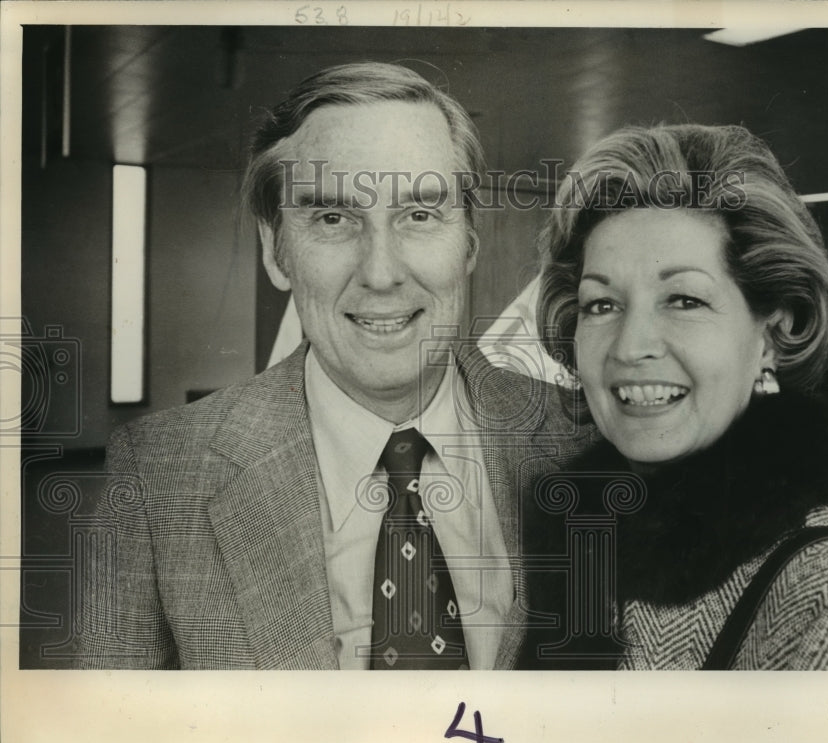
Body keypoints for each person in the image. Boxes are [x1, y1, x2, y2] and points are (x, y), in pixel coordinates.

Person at [74, 62, 593, 670]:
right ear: (277, 252)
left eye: (420, 215)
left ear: (469, 243)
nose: (381, 273)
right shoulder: (160, 474)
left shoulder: (582, 441)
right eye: (332, 219)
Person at [517, 123, 828, 670]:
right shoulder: (564, 546)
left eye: (683, 300)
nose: (630, 347)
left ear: (776, 333)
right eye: (601, 305)